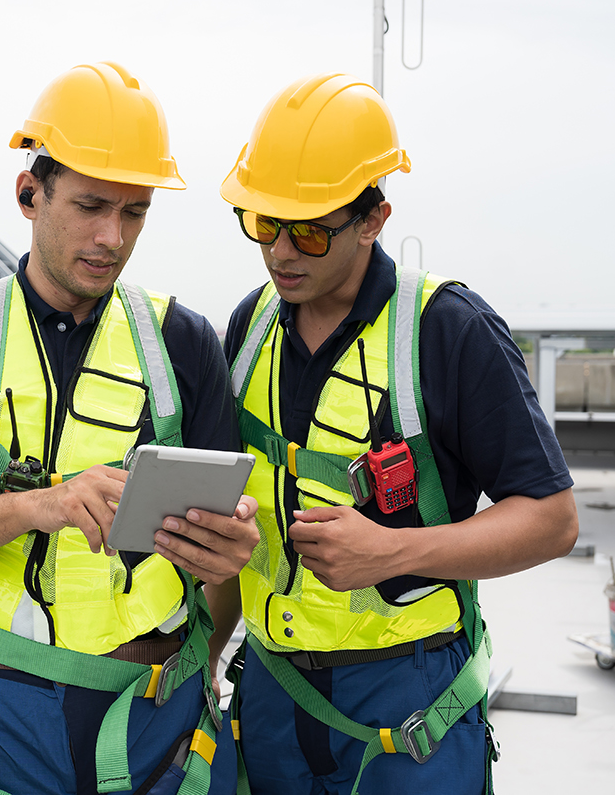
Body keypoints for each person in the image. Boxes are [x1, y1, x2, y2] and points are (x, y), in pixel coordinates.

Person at [0, 61, 259, 795]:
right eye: (90, 205)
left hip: (152, 718)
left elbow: (225, 563)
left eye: (134, 212)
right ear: (29, 193)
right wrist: (38, 505)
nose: (112, 236)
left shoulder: (184, 342)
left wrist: (230, 548)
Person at [209, 73, 579, 795]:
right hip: (273, 696)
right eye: (262, 223)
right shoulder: (249, 329)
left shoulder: (448, 330)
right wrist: (206, 658)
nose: (281, 252)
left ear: (373, 219)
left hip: (408, 706)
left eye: (309, 230)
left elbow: (552, 519)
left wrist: (394, 552)